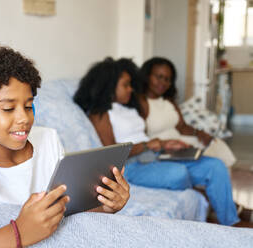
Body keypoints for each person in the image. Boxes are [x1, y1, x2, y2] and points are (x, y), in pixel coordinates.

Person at [0, 42, 130, 248]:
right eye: (9, 108)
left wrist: (107, 207)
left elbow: (67, 215)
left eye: (28, 106)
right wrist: (19, 232)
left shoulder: (48, 139)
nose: (24, 118)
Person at [73, 57, 239, 226]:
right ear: (109, 87)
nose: (131, 89)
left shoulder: (129, 107)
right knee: (178, 173)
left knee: (215, 166)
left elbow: (142, 136)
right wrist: (147, 145)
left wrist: (164, 144)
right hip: (133, 165)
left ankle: (231, 224)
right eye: (125, 85)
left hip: (155, 155)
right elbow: (112, 152)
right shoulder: (100, 114)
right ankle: (203, 192)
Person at [139, 57, 236, 167]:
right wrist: (164, 145)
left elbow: (182, 127)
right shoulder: (141, 103)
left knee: (216, 145)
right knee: (213, 163)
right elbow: (140, 136)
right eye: (159, 77)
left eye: (167, 79)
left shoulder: (168, 101)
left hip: (180, 142)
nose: (163, 82)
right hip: (164, 148)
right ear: (147, 76)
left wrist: (200, 134)